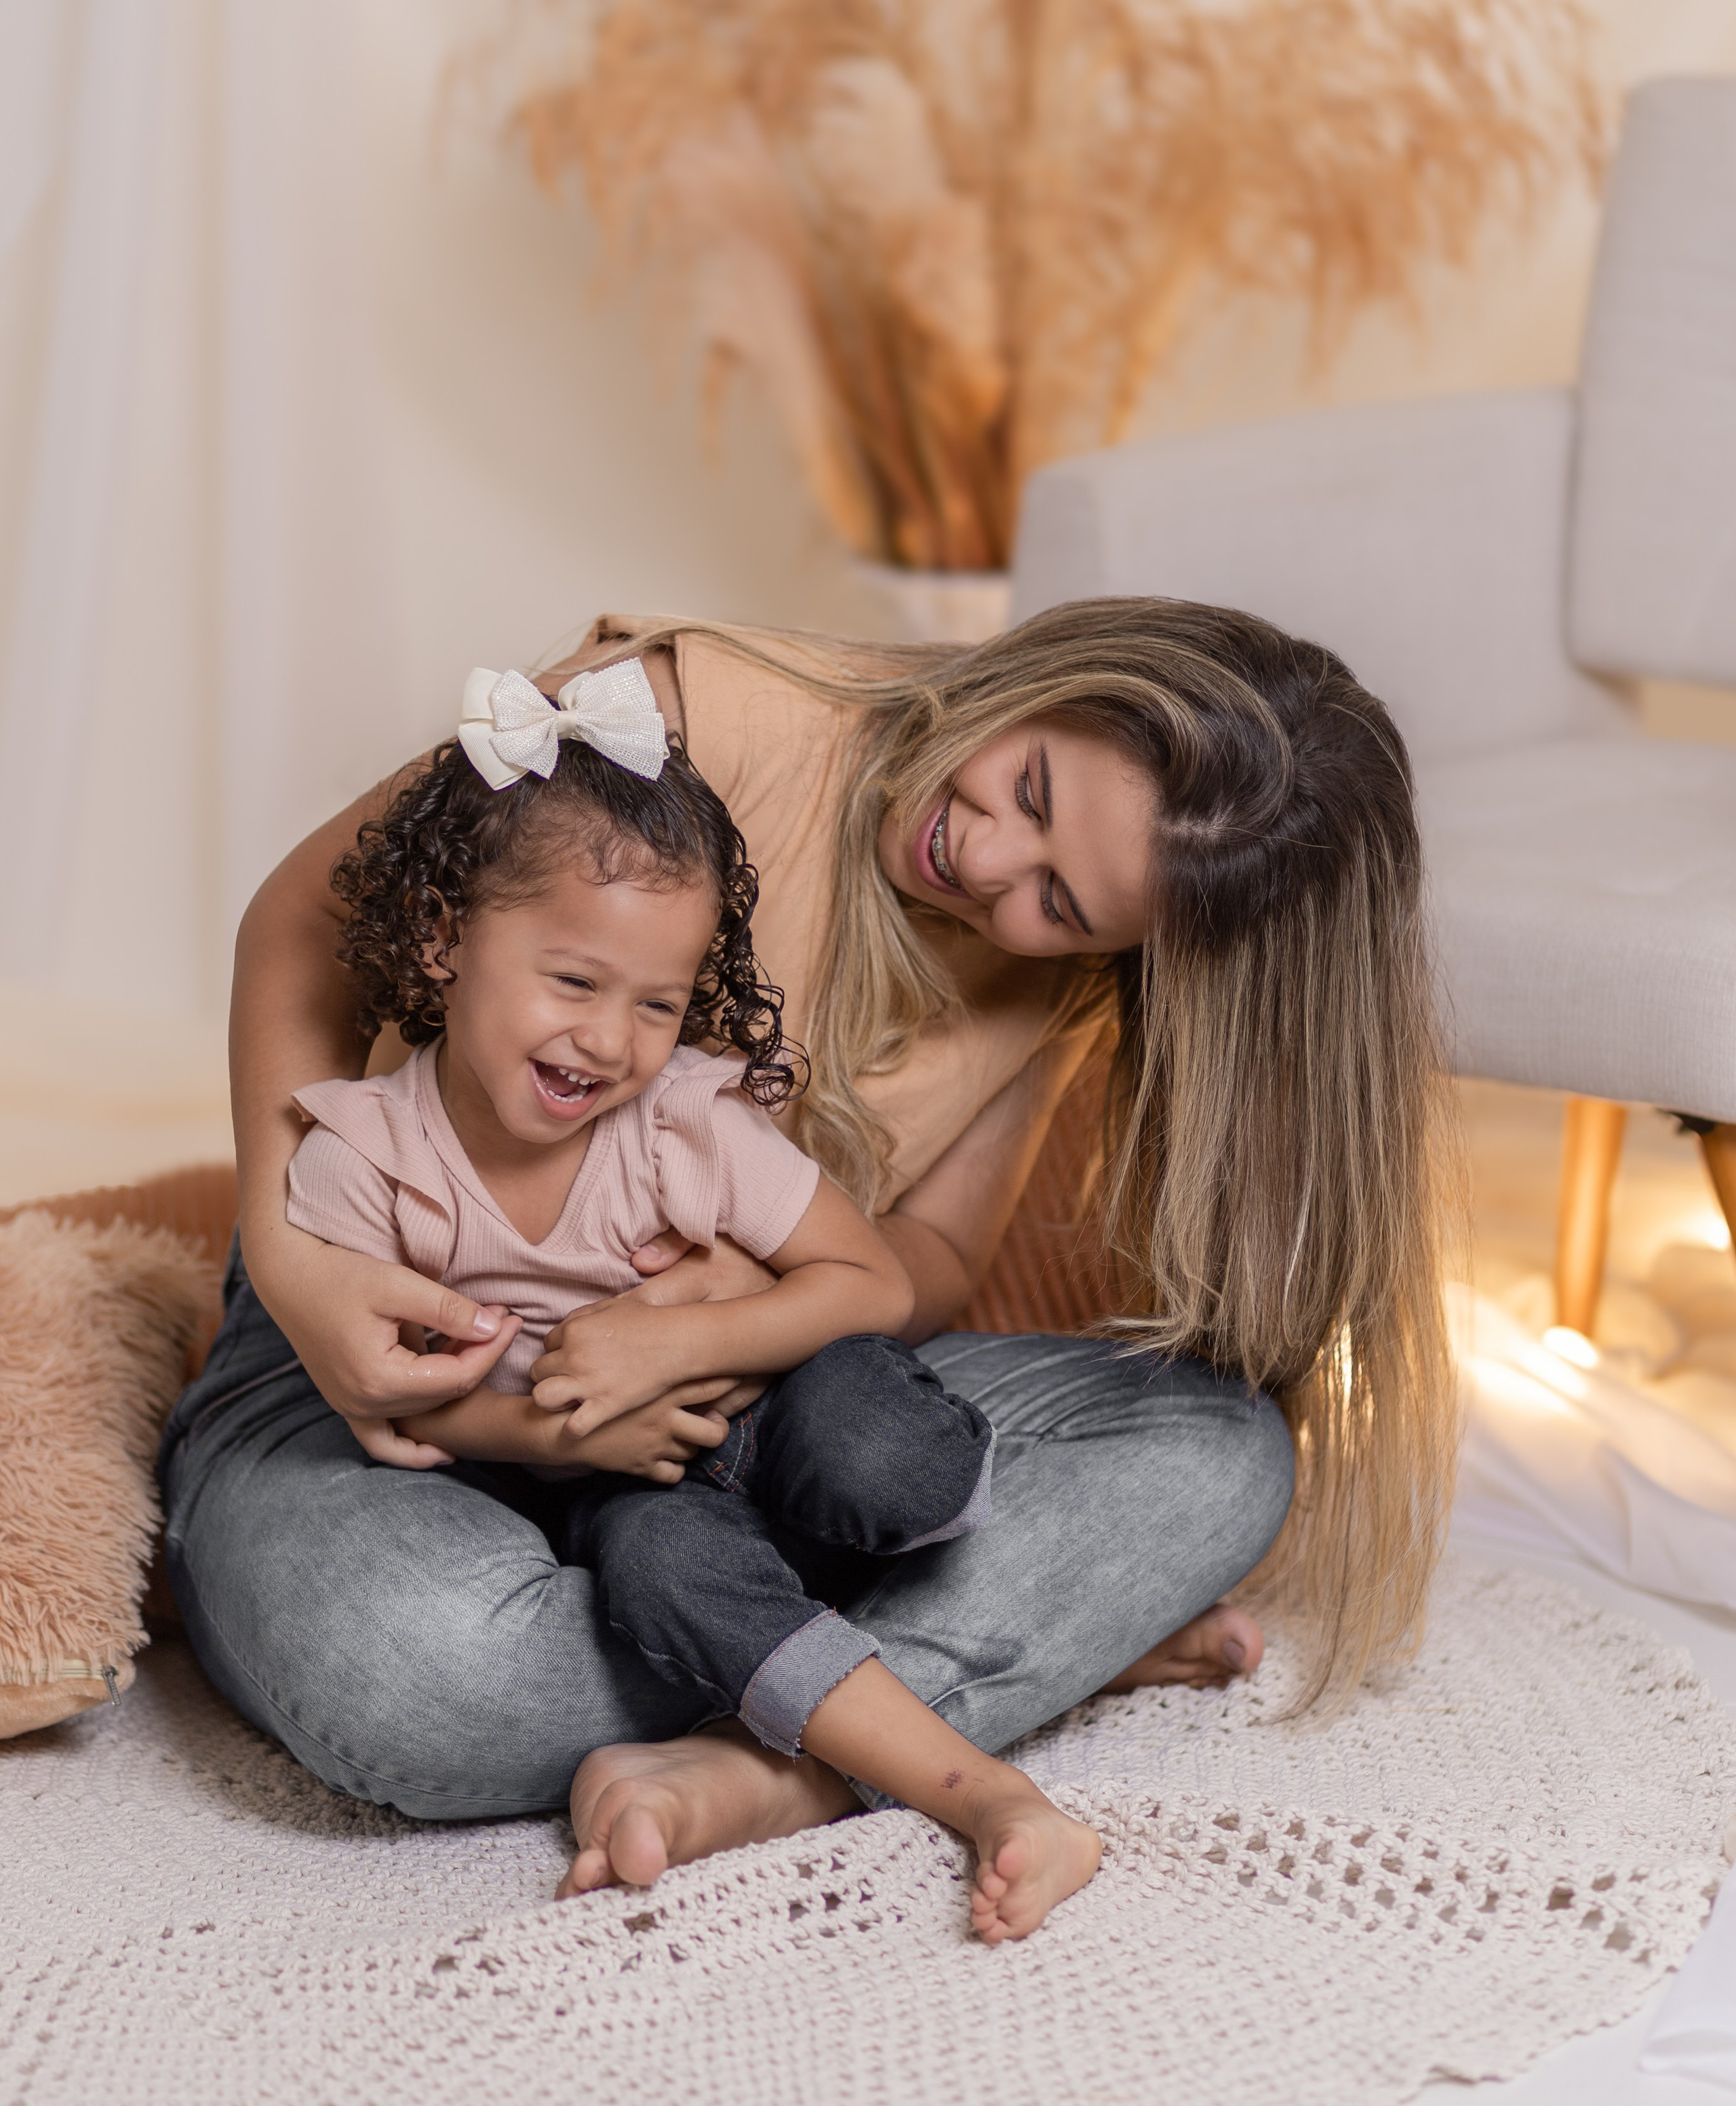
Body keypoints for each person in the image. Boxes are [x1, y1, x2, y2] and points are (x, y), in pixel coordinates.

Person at [161, 597, 1455, 1893]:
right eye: (1029, 788)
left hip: (743, 1419)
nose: (990, 860)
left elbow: (931, 1258)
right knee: (421, 1670)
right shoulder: (689, 716)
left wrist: (732, 1310)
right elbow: (307, 921)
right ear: (1046, 678)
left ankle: (770, 1761)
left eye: (1061, 900)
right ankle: (955, 1667)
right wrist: (294, 1260)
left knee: (1224, 1452)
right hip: (399, 1366)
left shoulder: (1048, 980)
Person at [288, 656, 1098, 1936]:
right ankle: (988, 1789)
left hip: (778, 1407)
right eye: (573, 983)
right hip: (624, 1484)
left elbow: (874, 1278)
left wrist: (689, 1340)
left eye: (657, 1005)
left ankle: (932, 1599)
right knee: (658, 1570)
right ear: (443, 939)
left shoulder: (681, 1121)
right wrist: (562, 1434)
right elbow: (398, 1403)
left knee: (888, 1447)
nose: (611, 1040)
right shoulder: (363, 1160)